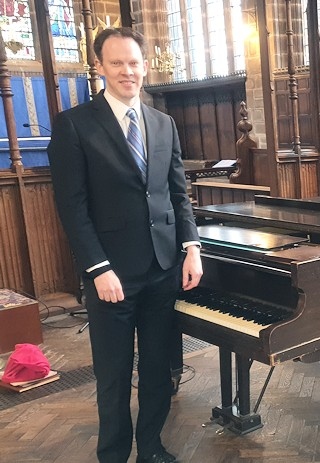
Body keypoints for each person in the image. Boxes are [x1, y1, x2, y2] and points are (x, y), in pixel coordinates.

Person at [47, 28, 203, 463]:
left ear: (145, 66)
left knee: (158, 369)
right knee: (114, 375)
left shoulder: (162, 123)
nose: (126, 71)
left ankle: (151, 448)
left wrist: (191, 248)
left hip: (163, 267)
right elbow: (72, 208)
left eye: (134, 63)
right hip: (111, 275)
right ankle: (113, 454)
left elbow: (178, 193)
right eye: (116, 63)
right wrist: (98, 268)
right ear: (99, 66)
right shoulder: (74, 124)